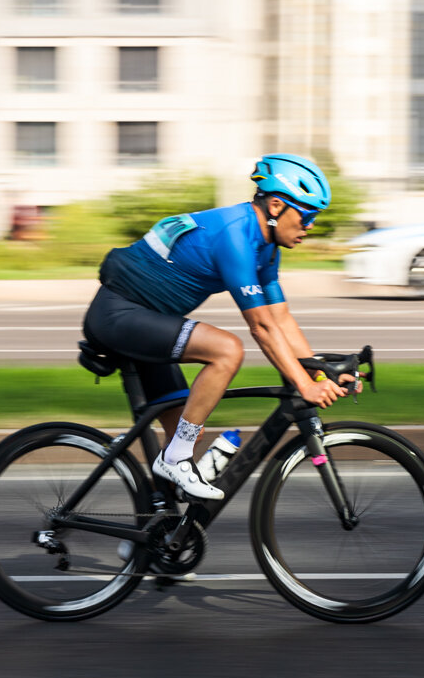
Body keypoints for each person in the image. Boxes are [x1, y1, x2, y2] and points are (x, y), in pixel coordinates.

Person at [82, 153, 349, 500]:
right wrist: (303, 383)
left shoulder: (265, 249)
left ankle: (149, 537)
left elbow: (280, 317)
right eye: (308, 215)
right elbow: (262, 328)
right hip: (119, 314)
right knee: (226, 350)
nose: (310, 226)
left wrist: (315, 372)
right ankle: (175, 461)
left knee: (185, 427)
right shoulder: (236, 236)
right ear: (277, 206)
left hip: (149, 319)